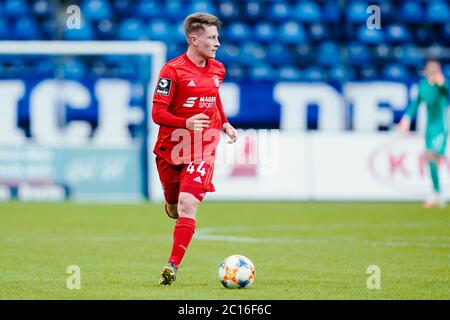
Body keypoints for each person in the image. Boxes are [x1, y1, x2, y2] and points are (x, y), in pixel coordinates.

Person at [151, 12, 238, 285]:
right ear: (193, 39)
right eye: (212, 38)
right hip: (171, 148)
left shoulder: (218, 69)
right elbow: (157, 114)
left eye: (217, 37)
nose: (217, 43)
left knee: (189, 204)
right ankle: (171, 203)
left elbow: (214, 98)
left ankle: (172, 266)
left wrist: (224, 123)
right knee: (175, 207)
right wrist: (185, 122)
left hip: (203, 145)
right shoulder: (172, 70)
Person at [398, 59, 449, 208]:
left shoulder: (442, 85)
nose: (432, 71)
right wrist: (406, 119)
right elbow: (415, 103)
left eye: (435, 69)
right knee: (431, 159)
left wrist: (442, 83)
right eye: (430, 68)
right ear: (425, 70)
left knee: (432, 155)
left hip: (441, 127)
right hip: (429, 128)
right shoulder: (423, 85)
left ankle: (437, 194)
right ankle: (437, 194)